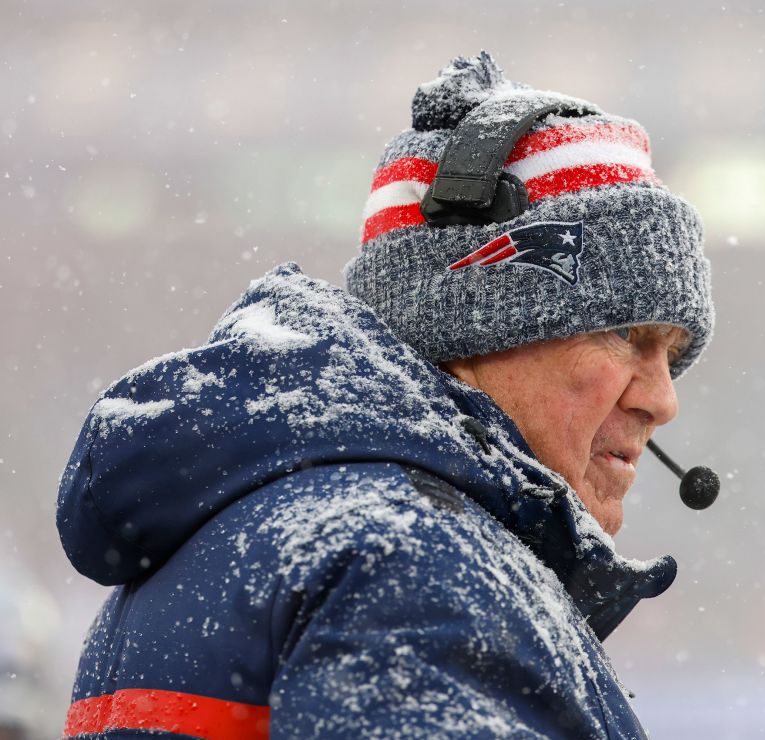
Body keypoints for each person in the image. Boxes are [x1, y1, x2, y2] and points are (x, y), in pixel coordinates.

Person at [56, 52, 713, 738]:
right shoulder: (416, 566)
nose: (662, 400)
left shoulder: (255, 530)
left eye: (670, 353)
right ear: (474, 318)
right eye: (622, 333)